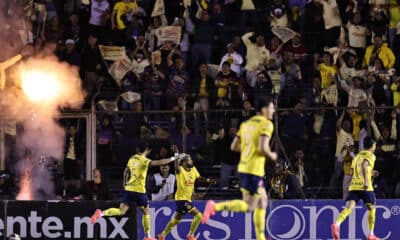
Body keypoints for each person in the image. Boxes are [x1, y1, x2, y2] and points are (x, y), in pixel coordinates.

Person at [202, 97, 278, 240]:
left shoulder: (246, 124)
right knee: (251, 205)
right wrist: (272, 155)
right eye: (271, 107)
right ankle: (215, 207)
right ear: (263, 110)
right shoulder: (266, 124)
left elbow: (234, 146)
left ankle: (261, 237)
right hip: (253, 170)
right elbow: (263, 147)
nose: (273, 110)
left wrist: (249, 147)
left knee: (261, 201)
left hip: (244, 168)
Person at [90, 142, 186, 240]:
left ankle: (101, 213)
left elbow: (126, 171)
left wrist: (124, 183)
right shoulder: (144, 160)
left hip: (129, 189)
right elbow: (160, 162)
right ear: (147, 150)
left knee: (121, 211)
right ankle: (148, 236)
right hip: (139, 191)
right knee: (146, 212)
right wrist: (175, 157)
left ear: (137, 149)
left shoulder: (132, 158)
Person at [157, 150, 216, 240]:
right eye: (189, 159)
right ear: (184, 162)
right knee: (199, 215)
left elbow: (199, 178)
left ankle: (162, 235)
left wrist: (208, 180)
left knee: (177, 219)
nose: (191, 161)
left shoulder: (193, 169)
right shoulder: (180, 170)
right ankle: (190, 235)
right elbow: (176, 166)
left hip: (187, 199)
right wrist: (176, 154)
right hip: (181, 199)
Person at [331, 137, 380, 240]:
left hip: (354, 185)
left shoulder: (357, 156)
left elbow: (353, 172)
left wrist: (370, 173)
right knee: (372, 208)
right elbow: (365, 165)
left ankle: (337, 224)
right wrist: (367, 181)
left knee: (349, 208)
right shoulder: (371, 155)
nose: (375, 147)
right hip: (365, 187)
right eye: (375, 145)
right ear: (372, 146)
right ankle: (371, 234)